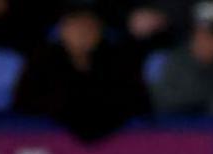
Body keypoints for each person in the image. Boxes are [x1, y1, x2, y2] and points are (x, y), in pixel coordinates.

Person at [12, 0, 149, 141]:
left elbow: (137, 104)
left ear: (100, 28)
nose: (82, 32)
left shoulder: (119, 60)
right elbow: (24, 107)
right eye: (75, 24)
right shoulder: (42, 61)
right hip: (50, 144)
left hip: (118, 146)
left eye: (89, 25)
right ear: (62, 29)